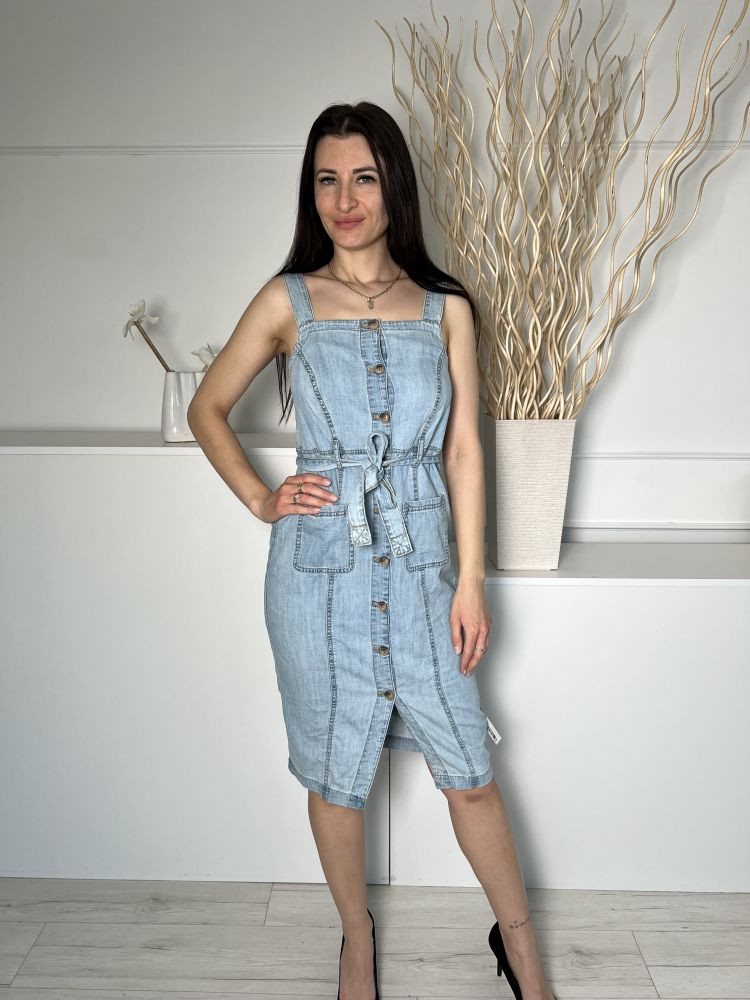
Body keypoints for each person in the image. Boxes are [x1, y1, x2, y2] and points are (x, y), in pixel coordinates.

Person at [187, 101, 556, 1000]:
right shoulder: (287, 300)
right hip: (317, 574)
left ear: (395, 186)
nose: (344, 200)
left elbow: (463, 451)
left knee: (468, 773)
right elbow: (208, 408)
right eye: (327, 180)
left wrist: (471, 581)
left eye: (363, 177)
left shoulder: (446, 308)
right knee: (334, 774)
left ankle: (522, 951)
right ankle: (357, 939)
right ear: (310, 192)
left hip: (425, 565)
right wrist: (264, 498)